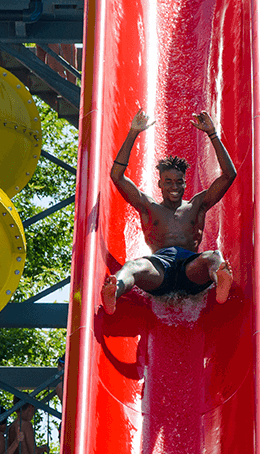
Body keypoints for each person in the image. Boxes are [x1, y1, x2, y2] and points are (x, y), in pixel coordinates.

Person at [101, 109, 237, 314]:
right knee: (132, 267)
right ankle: (115, 290)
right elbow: (117, 176)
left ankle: (220, 284)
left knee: (214, 257)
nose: (174, 186)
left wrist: (212, 134)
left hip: (191, 271)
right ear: (160, 184)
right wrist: (133, 133)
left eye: (179, 181)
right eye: (168, 182)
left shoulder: (196, 205)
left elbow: (229, 175)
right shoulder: (149, 207)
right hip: (159, 271)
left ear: (184, 183)